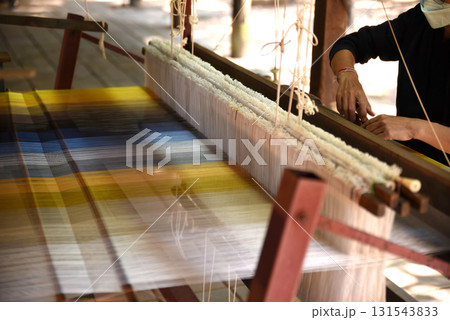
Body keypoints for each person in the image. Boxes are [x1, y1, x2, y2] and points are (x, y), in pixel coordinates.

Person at [329, 0, 450, 165]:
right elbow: (351, 44)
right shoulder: (420, 21)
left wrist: (413, 128)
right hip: (407, 162)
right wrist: (347, 75)